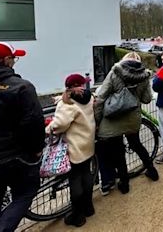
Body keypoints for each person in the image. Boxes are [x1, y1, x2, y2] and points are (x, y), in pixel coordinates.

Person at [0, 42, 45, 232]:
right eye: (14, 58)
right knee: (26, 192)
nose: (14, 62)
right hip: (15, 159)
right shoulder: (21, 87)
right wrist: (37, 149)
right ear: (6, 60)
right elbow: (33, 122)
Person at [95, 52, 157, 195]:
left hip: (113, 119)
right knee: (137, 145)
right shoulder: (144, 76)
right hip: (133, 119)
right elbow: (147, 99)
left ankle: (124, 183)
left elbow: (100, 98)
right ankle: (152, 171)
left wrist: (97, 120)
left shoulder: (114, 72)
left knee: (118, 152)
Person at [45, 74, 96, 227]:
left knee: (75, 180)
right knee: (87, 174)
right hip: (87, 143)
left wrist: (48, 128)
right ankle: (89, 208)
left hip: (73, 147)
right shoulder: (90, 97)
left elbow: (60, 124)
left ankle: (77, 215)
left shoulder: (67, 103)